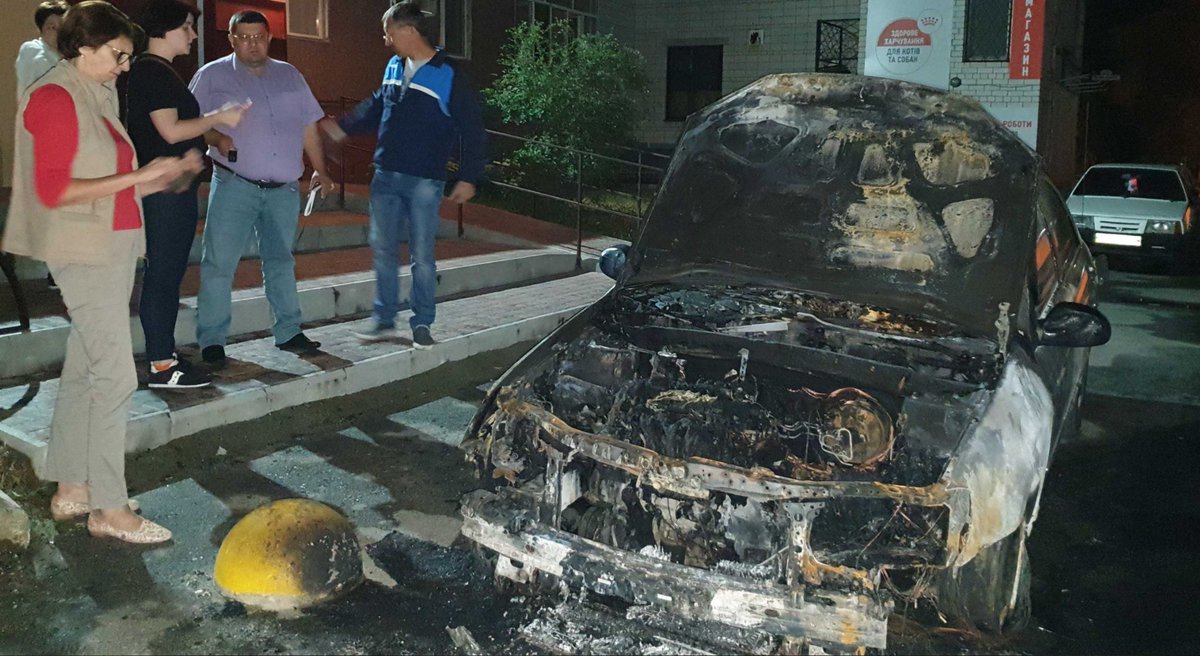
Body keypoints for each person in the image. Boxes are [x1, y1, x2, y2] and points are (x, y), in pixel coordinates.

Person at [2, 0, 202, 544]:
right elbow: (55, 190)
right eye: (118, 55)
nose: (124, 66)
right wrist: (138, 176)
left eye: (127, 57)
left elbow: (105, 176)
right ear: (84, 47)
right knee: (115, 377)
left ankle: (72, 488)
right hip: (83, 251)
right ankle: (110, 510)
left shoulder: (96, 91)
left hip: (109, 244)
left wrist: (159, 176)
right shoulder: (54, 96)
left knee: (85, 369)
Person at [326, 0, 485, 349]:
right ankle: (384, 320)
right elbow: (377, 104)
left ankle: (422, 323)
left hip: (424, 180)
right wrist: (344, 126)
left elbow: (472, 128)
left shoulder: (448, 73)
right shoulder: (394, 66)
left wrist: (469, 176)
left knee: (422, 257)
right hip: (385, 176)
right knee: (383, 250)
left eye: (389, 33)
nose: (385, 41)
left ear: (409, 31)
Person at [188, 10, 335, 367]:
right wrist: (217, 137)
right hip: (235, 184)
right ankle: (212, 340)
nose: (252, 44)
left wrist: (321, 169)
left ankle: (288, 331)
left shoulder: (290, 75)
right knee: (219, 263)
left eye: (259, 37)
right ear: (232, 39)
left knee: (281, 261)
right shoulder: (212, 75)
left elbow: (308, 127)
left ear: (269, 38)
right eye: (244, 37)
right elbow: (190, 122)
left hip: (283, 189)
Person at [127, 0, 247, 389]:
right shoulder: (153, 71)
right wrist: (219, 117)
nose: (193, 35)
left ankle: (164, 356)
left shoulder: (153, 70)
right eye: (186, 27)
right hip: (164, 190)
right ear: (163, 30)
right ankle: (162, 364)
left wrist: (205, 138)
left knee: (165, 274)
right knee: (163, 275)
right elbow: (170, 130)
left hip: (170, 186)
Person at [14, 1, 69, 98]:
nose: (58, 32)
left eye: (63, 27)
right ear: (41, 30)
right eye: (52, 27)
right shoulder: (32, 50)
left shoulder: (73, 55)